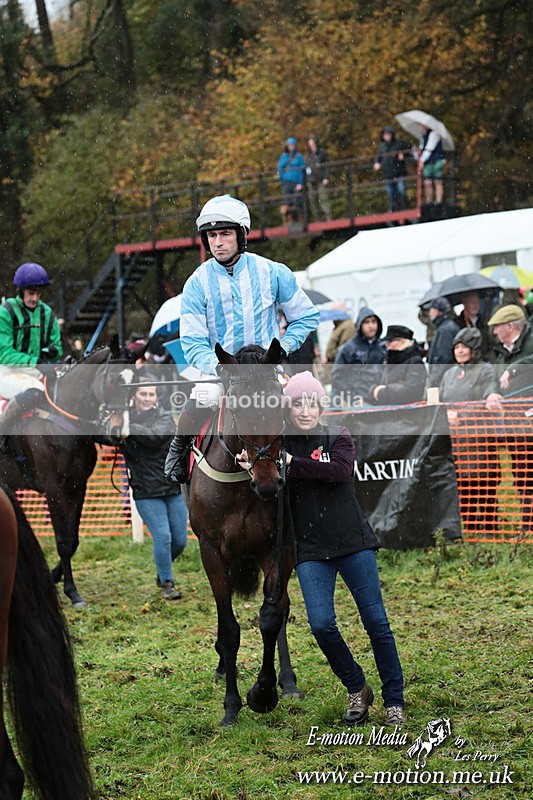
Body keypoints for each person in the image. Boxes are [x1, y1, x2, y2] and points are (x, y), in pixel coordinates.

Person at [236, 371, 405, 726]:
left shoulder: (338, 436)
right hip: (311, 552)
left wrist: (293, 465)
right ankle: (357, 687)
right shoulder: (278, 447)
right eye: (298, 404)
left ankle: (394, 701)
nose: (305, 411)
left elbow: (339, 472)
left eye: (311, 404)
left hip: (353, 543)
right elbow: (269, 485)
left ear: (320, 407)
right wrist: (255, 468)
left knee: (377, 623)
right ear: (288, 408)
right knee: (322, 625)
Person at [164, 194, 319, 484]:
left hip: (267, 372)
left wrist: (282, 348)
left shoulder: (274, 272)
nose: (218, 242)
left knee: (301, 400)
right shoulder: (196, 283)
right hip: (224, 371)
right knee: (203, 397)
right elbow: (193, 342)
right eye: (212, 236)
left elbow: (307, 316)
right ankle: (177, 449)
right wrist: (218, 367)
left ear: (241, 235)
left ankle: (312, 462)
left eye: (225, 234)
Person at [119, 378, 188, 600]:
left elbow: (153, 437)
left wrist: (127, 427)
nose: (148, 398)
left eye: (151, 394)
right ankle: (167, 583)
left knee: (180, 541)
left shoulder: (165, 419)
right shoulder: (122, 420)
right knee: (163, 537)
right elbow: (103, 434)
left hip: (173, 488)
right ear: (134, 396)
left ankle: (162, 569)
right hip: (146, 491)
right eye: (143, 394)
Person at [439, 328, 502, 534]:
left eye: (464, 347)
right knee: (463, 488)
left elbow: (488, 395)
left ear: (474, 349)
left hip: (479, 441)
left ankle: (490, 529)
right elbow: (441, 401)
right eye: (456, 347)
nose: (460, 351)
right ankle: (470, 529)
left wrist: (461, 416)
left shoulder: (485, 370)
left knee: (484, 485)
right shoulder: (449, 374)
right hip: (456, 443)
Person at [0, 262, 62, 441]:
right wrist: (36, 361)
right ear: (21, 291)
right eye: (31, 293)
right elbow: (4, 353)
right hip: (7, 371)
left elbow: (57, 347)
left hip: (36, 370)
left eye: (38, 294)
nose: (35, 298)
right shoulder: (6, 312)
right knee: (36, 391)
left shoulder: (47, 313)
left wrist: (50, 353)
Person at [330, 307, 385, 407]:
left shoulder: (382, 347)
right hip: (354, 401)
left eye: (374, 321)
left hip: (377, 399)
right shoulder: (348, 349)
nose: (371, 326)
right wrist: (353, 398)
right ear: (360, 325)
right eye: (366, 322)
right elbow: (338, 377)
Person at [371, 325, 427, 404]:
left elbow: (412, 391)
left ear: (402, 341)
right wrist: (374, 390)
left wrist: (381, 392)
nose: (387, 345)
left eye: (390, 341)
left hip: (408, 410)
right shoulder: (390, 361)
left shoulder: (415, 362)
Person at [373, 126, 409, 213]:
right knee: (391, 194)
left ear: (392, 134)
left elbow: (410, 150)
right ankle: (393, 211)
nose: (387, 136)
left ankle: (405, 210)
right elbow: (378, 157)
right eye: (385, 134)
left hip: (399, 172)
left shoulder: (399, 143)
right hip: (388, 174)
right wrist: (376, 163)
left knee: (402, 191)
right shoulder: (382, 146)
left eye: (388, 134)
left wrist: (404, 155)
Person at [427, 297, 461, 387]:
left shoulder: (445, 330)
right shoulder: (444, 327)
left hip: (444, 381)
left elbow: (443, 359)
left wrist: (434, 382)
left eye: (431, 309)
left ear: (437, 311)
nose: (429, 313)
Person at [455, 291, 492, 359]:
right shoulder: (457, 323)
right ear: (465, 304)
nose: (476, 305)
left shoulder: (482, 321)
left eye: (477, 302)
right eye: (472, 302)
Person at [277, 137, 306, 221]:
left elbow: (302, 170)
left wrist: (300, 183)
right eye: (290, 145)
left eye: (293, 145)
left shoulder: (299, 157)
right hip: (286, 183)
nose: (291, 146)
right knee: (288, 203)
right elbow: (279, 168)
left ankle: (302, 220)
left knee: (299, 202)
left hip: (296, 182)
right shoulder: (284, 157)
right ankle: (290, 221)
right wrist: (282, 180)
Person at [418, 124, 446, 206]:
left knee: (437, 182)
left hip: (436, 161)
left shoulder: (434, 133)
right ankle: (429, 202)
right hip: (428, 163)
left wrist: (421, 160)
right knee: (427, 182)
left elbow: (429, 148)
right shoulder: (423, 136)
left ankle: (438, 202)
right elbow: (422, 149)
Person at [305, 136, 332, 221]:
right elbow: (307, 167)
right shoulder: (309, 155)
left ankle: (328, 216)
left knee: (323, 197)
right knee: (312, 199)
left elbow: (327, 166)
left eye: (313, 144)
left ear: (316, 143)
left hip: (321, 179)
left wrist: (326, 177)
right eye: (310, 144)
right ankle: (316, 218)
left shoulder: (322, 153)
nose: (312, 146)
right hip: (311, 180)